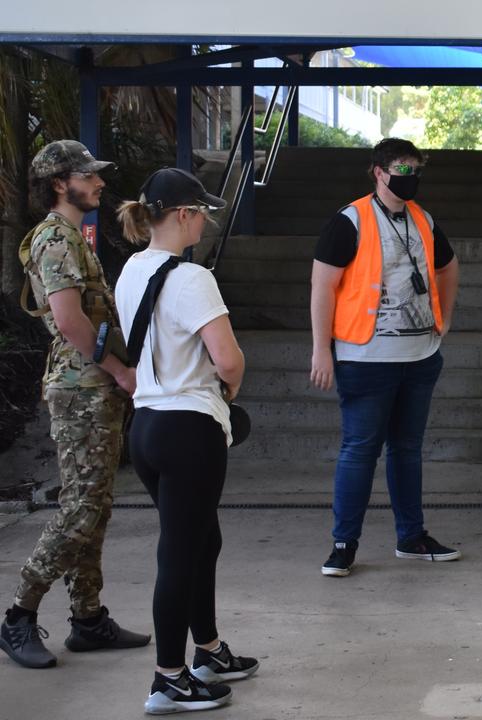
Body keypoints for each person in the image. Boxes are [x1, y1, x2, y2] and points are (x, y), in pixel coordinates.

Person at [0, 140, 150, 670]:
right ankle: (18, 615)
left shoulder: (70, 236)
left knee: (95, 506)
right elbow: (68, 320)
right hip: (82, 387)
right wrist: (120, 371)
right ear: (61, 182)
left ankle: (87, 619)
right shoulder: (55, 240)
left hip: (92, 387)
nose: (101, 182)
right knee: (81, 509)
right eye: (90, 175)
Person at [115, 167, 258, 714]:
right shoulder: (193, 279)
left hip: (148, 425)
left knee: (202, 540)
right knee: (179, 552)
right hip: (188, 428)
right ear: (182, 214)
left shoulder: (132, 268)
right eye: (201, 212)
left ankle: (210, 650)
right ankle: (169, 679)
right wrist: (232, 382)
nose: (205, 222)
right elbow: (227, 358)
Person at [310, 138, 460, 576]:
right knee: (359, 449)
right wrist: (322, 348)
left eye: (415, 169)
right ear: (378, 171)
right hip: (364, 358)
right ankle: (343, 544)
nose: (408, 177)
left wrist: (444, 318)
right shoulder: (350, 220)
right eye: (400, 168)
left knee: (408, 449)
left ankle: (411, 537)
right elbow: (323, 286)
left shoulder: (424, 220)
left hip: (420, 355)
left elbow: (448, 267)